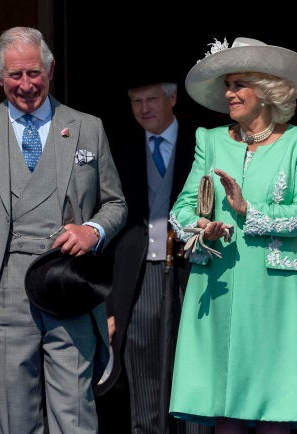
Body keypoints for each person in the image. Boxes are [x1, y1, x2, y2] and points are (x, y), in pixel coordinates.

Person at [0, 26, 127, 434]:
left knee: (76, 416)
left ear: (50, 69)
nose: (25, 86)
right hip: (2, 291)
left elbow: (116, 203)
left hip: (69, 285)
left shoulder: (86, 127)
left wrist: (93, 230)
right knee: (14, 418)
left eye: (33, 73)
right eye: (14, 76)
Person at [167, 36, 297, 433]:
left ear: (266, 89)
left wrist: (248, 211)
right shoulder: (209, 140)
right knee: (226, 407)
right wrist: (202, 226)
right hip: (219, 278)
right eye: (227, 85)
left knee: (275, 408)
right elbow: (181, 209)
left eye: (238, 84)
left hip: (275, 289)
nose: (229, 93)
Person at [95, 72, 211, 434]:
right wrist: (110, 305)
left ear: (172, 99)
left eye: (152, 100)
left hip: (193, 275)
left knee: (195, 382)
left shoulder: (203, 143)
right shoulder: (119, 147)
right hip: (140, 276)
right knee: (144, 382)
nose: (144, 109)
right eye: (136, 102)